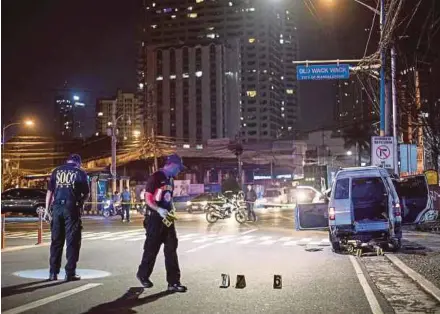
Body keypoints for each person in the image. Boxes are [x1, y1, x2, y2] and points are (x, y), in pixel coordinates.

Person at [136, 154, 187, 292]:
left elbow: (168, 198)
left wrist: (171, 210)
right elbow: (148, 198)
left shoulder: (170, 179)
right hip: (154, 218)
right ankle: (143, 274)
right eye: (178, 168)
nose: (179, 171)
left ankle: (174, 282)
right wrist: (158, 209)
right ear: (172, 165)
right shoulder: (156, 177)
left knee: (171, 249)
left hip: (167, 219)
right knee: (151, 249)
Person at [44, 154, 89, 281]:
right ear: (78, 162)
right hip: (71, 207)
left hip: (56, 207)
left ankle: (53, 273)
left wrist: (47, 210)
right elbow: (86, 193)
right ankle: (70, 272)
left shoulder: (56, 171)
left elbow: (49, 192)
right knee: (72, 241)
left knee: (56, 241)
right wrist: (80, 203)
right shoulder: (80, 172)